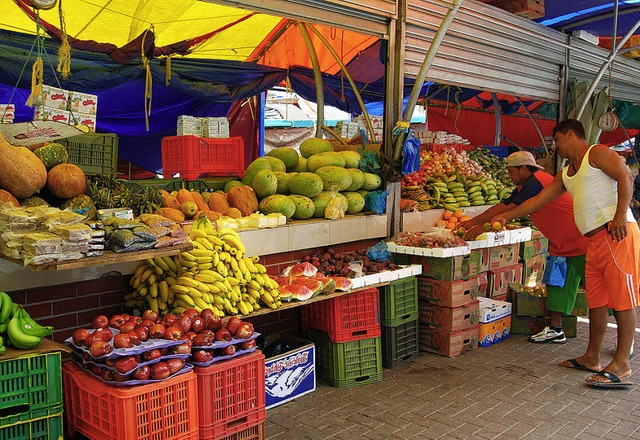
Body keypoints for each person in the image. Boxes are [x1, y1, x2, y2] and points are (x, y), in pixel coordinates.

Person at [492, 119, 639, 388]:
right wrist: (505, 216)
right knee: (597, 301)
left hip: (616, 234)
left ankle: (622, 363)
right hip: (592, 241)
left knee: (622, 299)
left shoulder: (597, 153)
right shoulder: (567, 173)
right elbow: (537, 201)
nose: (556, 146)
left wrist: (619, 215)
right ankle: (592, 357)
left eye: (558, 139)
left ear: (571, 134)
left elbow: (626, 177)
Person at [460, 150, 589, 344]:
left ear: (524, 168)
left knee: (598, 289)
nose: (510, 176)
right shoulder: (526, 186)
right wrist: (472, 223)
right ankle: (556, 329)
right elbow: (504, 205)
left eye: (512, 172)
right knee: (556, 285)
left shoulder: (537, 181)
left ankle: (623, 337)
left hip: (579, 240)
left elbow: (507, 209)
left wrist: (478, 226)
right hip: (561, 244)